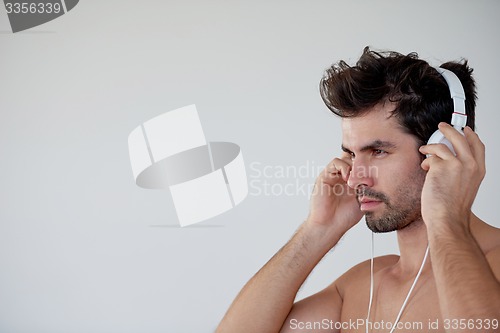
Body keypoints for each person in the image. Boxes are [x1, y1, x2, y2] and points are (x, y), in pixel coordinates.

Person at [216, 47, 500, 333]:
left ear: (445, 149)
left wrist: (446, 218)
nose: (354, 179)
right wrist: (319, 229)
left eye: (377, 151)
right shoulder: (360, 288)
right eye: (351, 154)